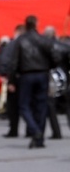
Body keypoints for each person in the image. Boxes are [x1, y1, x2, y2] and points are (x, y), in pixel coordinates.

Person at [10, 15, 54, 148]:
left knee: (24, 105)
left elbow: (14, 61)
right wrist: (49, 69)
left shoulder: (20, 40)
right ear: (36, 24)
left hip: (26, 75)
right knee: (41, 106)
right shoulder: (43, 40)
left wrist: (12, 79)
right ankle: (38, 134)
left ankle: (36, 132)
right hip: (41, 74)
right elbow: (53, 56)